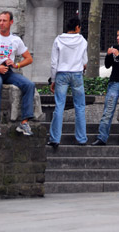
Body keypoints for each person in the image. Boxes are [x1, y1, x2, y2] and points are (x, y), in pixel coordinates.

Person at [47, 17, 88, 149]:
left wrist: (53, 80)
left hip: (61, 74)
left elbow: (54, 62)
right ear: (77, 27)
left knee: (59, 106)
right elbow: (84, 61)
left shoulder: (58, 39)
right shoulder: (82, 40)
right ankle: (81, 138)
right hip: (77, 74)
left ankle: (55, 138)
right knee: (80, 106)